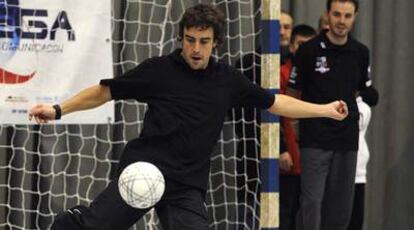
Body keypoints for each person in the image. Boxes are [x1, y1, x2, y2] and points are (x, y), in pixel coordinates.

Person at [29, 4, 348, 230]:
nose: (196, 49)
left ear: (215, 43)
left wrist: (324, 110)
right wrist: (58, 110)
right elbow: (104, 91)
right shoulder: (159, 70)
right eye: (190, 40)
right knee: (92, 227)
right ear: (182, 38)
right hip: (144, 173)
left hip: (186, 185)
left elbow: (275, 103)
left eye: (204, 42)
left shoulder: (228, 79)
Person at [286, 0, 371, 230]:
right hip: (315, 138)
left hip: (346, 140)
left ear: (355, 17)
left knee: (341, 208)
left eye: (347, 15)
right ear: (327, 15)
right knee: (311, 204)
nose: (341, 21)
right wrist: (295, 131)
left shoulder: (361, 53)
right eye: (337, 14)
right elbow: (293, 93)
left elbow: (358, 90)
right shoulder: (309, 50)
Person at [279, 24, 317, 230]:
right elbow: (273, 116)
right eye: (300, 45)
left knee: (308, 212)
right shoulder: (281, 73)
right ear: (292, 47)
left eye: (308, 46)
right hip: (290, 158)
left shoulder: (318, 76)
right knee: (286, 211)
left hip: (313, 156)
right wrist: (282, 149)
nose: (304, 51)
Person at [347, 86, 378, 230]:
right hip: (335, 171)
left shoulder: (363, 108)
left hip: (357, 173)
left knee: (355, 220)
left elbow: (353, 124)